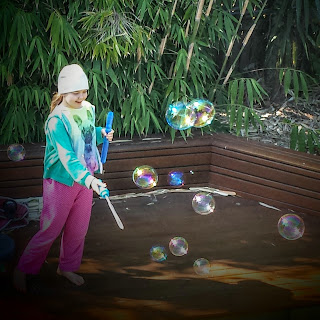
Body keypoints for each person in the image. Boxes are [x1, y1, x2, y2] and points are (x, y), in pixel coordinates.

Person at [13, 64, 114, 293]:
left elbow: (86, 133)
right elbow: (67, 156)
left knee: (78, 229)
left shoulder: (87, 108)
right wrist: (91, 181)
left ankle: (67, 267)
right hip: (62, 181)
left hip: (85, 179)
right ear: (63, 92)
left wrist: (101, 133)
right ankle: (23, 268)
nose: (81, 96)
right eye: (75, 92)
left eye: (84, 90)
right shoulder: (56, 121)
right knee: (50, 229)